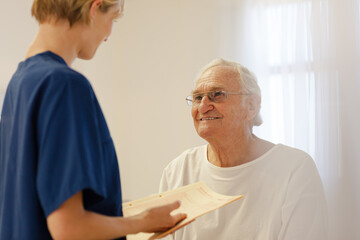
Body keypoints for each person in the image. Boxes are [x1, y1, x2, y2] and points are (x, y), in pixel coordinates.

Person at [0, 0, 186, 239]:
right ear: (94, 9)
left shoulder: (19, 84)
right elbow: (68, 228)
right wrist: (143, 221)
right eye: (113, 19)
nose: (108, 34)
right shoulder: (64, 85)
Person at [159, 58, 328, 240]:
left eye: (217, 95)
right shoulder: (177, 171)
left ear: (252, 105)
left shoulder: (295, 169)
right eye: (198, 97)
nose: (203, 106)